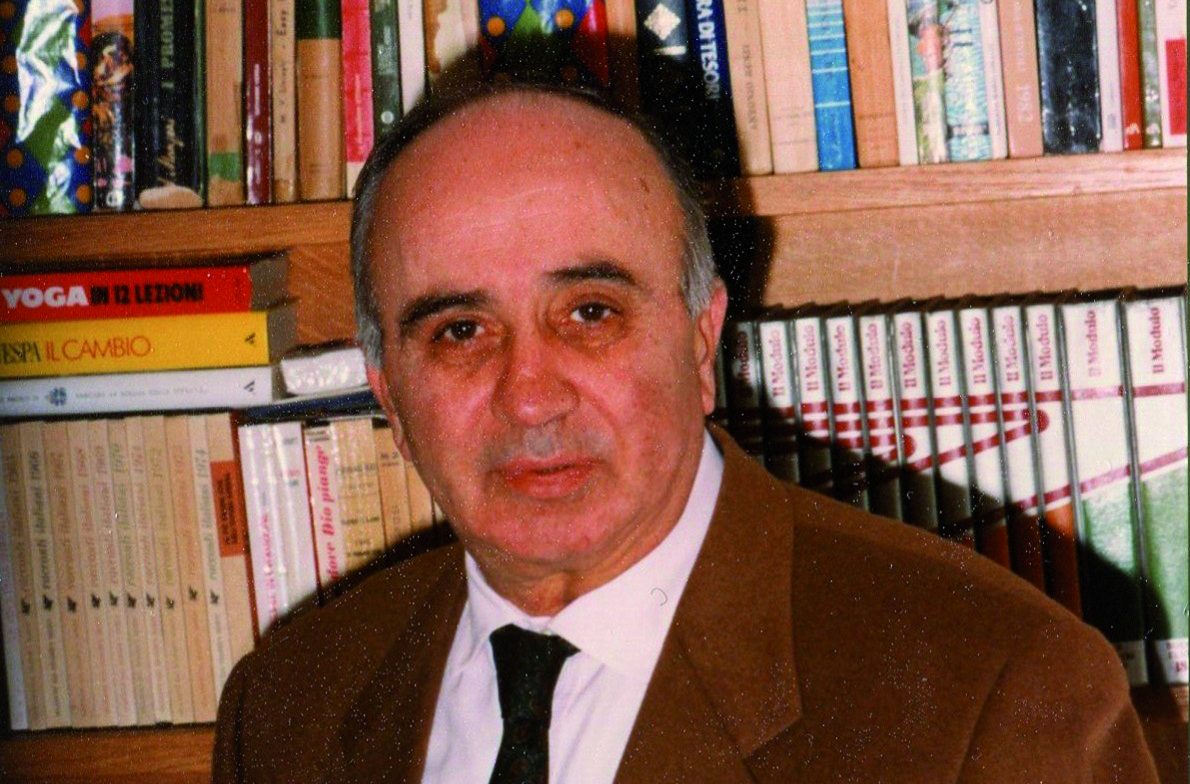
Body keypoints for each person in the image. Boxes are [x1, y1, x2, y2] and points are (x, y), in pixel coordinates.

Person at [212, 83, 1159, 783]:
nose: (529, 398)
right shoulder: (287, 704)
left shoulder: (994, 689)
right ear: (389, 393)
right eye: (460, 332)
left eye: (590, 313)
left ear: (702, 341)